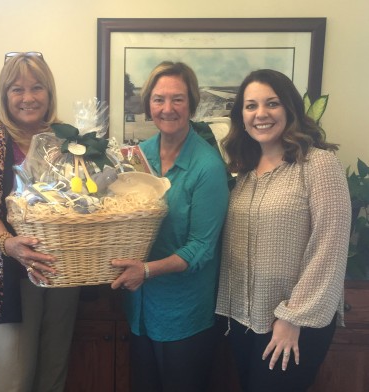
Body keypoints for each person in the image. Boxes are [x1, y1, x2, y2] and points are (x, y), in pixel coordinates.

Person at [215, 69, 351, 392]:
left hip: (295, 321)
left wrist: (293, 318)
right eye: (250, 106)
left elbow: (329, 246)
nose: (260, 114)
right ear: (242, 116)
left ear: (289, 108)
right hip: (243, 320)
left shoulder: (318, 164)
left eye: (271, 103)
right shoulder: (244, 173)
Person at [0, 52, 80, 392]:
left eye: (37, 87)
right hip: (8, 277)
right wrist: (9, 243)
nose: (28, 98)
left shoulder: (67, 140)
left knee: (53, 371)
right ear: (4, 95)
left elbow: (84, 201)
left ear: (49, 93)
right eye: (17, 89)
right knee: (13, 377)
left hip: (60, 273)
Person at [111, 61, 229, 392]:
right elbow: (122, 214)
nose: (167, 108)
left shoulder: (207, 166)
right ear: (149, 104)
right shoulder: (137, 157)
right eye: (159, 99)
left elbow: (202, 248)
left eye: (177, 99)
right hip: (140, 309)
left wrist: (146, 271)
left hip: (184, 313)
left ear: (191, 103)